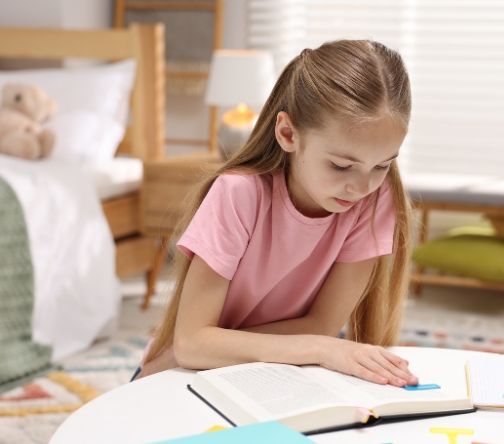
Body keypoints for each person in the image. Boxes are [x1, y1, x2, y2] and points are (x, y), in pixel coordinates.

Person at [134, 39, 417, 387]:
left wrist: (225, 343)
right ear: (287, 133)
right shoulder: (239, 193)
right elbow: (192, 344)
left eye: (382, 165)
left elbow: (322, 326)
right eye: (342, 165)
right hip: (179, 372)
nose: (361, 187)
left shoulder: (374, 201)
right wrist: (320, 347)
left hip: (273, 367)